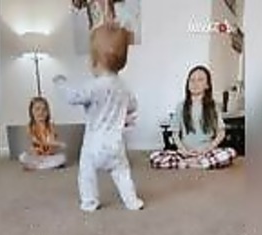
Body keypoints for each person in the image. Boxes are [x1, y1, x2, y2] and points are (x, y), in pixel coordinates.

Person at [53, 22, 143, 212]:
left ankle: (89, 202)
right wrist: (122, 116)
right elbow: (133, 105)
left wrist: (61, 84)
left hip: (94, 145)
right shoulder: (123, 87)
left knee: (86, 172)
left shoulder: (94, 86)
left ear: (95, 61)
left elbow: (73, 97)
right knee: (122, 173)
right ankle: (132, 201)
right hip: (116, 145)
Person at [150, 65, 237, 169]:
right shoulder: (181, 106)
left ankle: (192, 164)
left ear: (207, 85)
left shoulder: (213, 106)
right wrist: (183, 150)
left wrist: (207, 149)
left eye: (200, 80)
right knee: (154, 156)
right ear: (187, 84)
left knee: (230, 152)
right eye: (192, 80)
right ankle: (195, 163)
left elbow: (221, 133)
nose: (195, 83)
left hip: (206, 152)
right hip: (186, 153)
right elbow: (175, 134)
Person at [18, 97, 67, 170]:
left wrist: (54, 145)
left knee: (62, 158)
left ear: (48, 112)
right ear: (31, 112)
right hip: (36, 156)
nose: (41, 112)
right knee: (23, 156)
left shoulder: (50, 125)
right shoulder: (31, 126)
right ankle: (42, 165)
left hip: (49, 156)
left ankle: (38, 166)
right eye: (37, 109)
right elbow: (37, 141)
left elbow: (51, 140)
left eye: (44, 110)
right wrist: (58, 144)